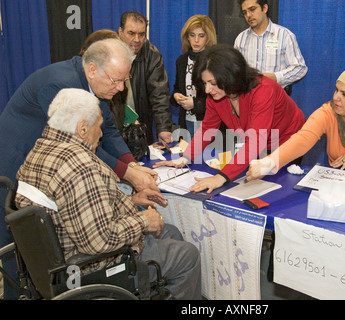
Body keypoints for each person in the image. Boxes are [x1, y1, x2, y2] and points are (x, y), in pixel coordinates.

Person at [0, 38, 159, 298]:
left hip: (44, 167)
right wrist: (129, 175)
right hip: (14, 166)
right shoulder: (60, 84)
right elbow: (83, 147)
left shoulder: (93, 83)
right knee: (20, 250)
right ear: (93, 69)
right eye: (115, 81)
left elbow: (106, 128)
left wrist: (132, 165)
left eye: (124, 81)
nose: (120, 89)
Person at [15, 88, 202, 300]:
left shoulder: (42, 148)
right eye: (99, 126)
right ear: (82, 128)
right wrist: (142, 221)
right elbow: (99, 241)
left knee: (170, 233)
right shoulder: (79, 165)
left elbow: (75, 204)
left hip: (59, 254)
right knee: (188, 256)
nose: (102, 133)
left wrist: (131, 200)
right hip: (92, 267)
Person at [154, 45, 306, 193]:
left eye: (213, 83)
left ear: (231, 76)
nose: (207, 90)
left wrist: (221, 177)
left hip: (287, 141)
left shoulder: (263, 90)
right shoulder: (215, 95)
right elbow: (208, 129)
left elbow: (255, 141)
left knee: (277, 190)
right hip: (259, 145)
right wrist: (185, 158)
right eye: (204, 83)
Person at [117, 10, 173, 144]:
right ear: (120, 32)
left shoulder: (152, 55)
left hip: (140, 127)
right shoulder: (108, 52)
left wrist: (163, 128)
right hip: (113, 126)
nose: (137, 40)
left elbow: (159, 94)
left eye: (141, 34)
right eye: (131, 33)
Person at [234, 0, 307, 95]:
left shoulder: (284, 35)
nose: (248, 15)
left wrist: (276, 77)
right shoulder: (241, 39)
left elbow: (300, 68)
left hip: (276, 97)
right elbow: (235, 69)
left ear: (264, 8)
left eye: (252, 9)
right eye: (245, 12)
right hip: (248, 96)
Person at [170, 15, 217, 140]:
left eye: (201, 36)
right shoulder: (181, 61)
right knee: (188, 157)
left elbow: (220, 98)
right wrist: (176, 96)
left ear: (208, 37)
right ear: (187, 37)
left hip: (209, 121)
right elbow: (177, 88)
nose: (196, 40)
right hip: (186, 120)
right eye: (192, 35)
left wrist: (195, 104)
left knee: (208, 157)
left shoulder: (215, 61)